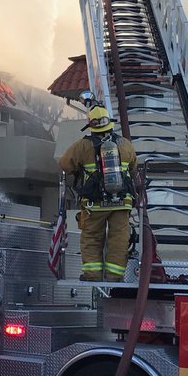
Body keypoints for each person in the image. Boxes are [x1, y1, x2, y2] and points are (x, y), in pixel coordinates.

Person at [58, 106, 137, 281]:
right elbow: (133, 167)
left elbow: (65, 164)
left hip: (95, 204)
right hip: (121, 202)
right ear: (109, 123)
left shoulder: (83, 145)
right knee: (119, 239)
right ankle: (114, 277)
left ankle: (92, 275)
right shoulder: (125, 145)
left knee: (92, 237)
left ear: (90, 124)